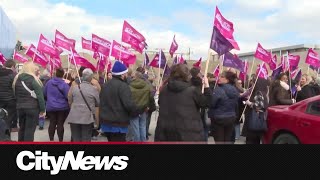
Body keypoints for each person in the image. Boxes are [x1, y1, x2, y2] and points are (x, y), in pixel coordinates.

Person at [154, 64, 212, 142]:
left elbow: (160, 103)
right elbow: (206, 103)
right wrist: (207, 86)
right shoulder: (192, 91)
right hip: (189, 133)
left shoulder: (164, 90)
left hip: (166, 133)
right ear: (187, 75)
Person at [99, 61, 138, 142]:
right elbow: (128, 104)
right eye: (126, 74)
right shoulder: (123, 86)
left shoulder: (105, 85)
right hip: (118, 124)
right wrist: (136, 112)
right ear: (122, 75)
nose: (127, 75)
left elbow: (101, 102)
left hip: (106, 122)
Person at [13, 62, 45, 142]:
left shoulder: (17, 79)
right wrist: (42, 110)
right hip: (32, 108)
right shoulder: (34, 80)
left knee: (22, 128)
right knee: (29, 130)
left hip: (20, 107)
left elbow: (15, 94)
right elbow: (40, 97)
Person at [66, 68, 100, 142]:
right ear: (91, 78)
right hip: (87, 117)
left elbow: (69, 100)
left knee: (76, 138)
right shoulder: (94, 89)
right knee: (86, 138)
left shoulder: (75, 88)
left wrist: (73, 107)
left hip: (74, 116)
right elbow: (97, 103)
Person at [208, 71, 239, 144]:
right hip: (231, 117)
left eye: (222, 77)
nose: (219, 78)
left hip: (219, 118)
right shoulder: (235, 90)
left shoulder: (219, 90)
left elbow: (212, 103)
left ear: (227, 80)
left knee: (219, 140)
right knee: (227, 140)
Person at [44, 68, 70, 142]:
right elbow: (67, 96)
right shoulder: (65, 84)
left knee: (52, 122)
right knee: (60, 123)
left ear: (55, 74)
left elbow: (45, 93)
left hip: (51, 106)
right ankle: (60, 140)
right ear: (63, 74)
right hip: (62, 107)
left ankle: (51, 139)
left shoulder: (49, 83)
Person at [127, 71, 154, 142]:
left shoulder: (129, 86)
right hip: (144, 109)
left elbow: (128, 98)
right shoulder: (147, 85)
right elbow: (151, 96)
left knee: (135, 128)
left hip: (134, 109)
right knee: (142, 127)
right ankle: (143, 142)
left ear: (135, 77)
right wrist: (149, 106)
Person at [241, 77, 269, 144]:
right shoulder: (264, 93)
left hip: (254, 119)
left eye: (254, 83)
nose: (253, 85)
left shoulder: (258, 92)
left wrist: (249, 103)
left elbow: (258, 106)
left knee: (251, 140)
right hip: (259, 119)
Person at [190, 67, 210, 141]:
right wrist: (206, 85)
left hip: (193, 111)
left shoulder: (189, 83)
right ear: (198, 74)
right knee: (204, 129)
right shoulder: (200, 84)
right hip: (200, 110)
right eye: (200, 72)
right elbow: (207, 101)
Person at [0, 60, 17, 136]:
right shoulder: (12, 75)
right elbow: (15, 88)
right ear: (12, 66)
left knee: (1, 119)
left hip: (1, 100)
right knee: (8, 120)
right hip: (10, 100)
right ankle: (6, 137)